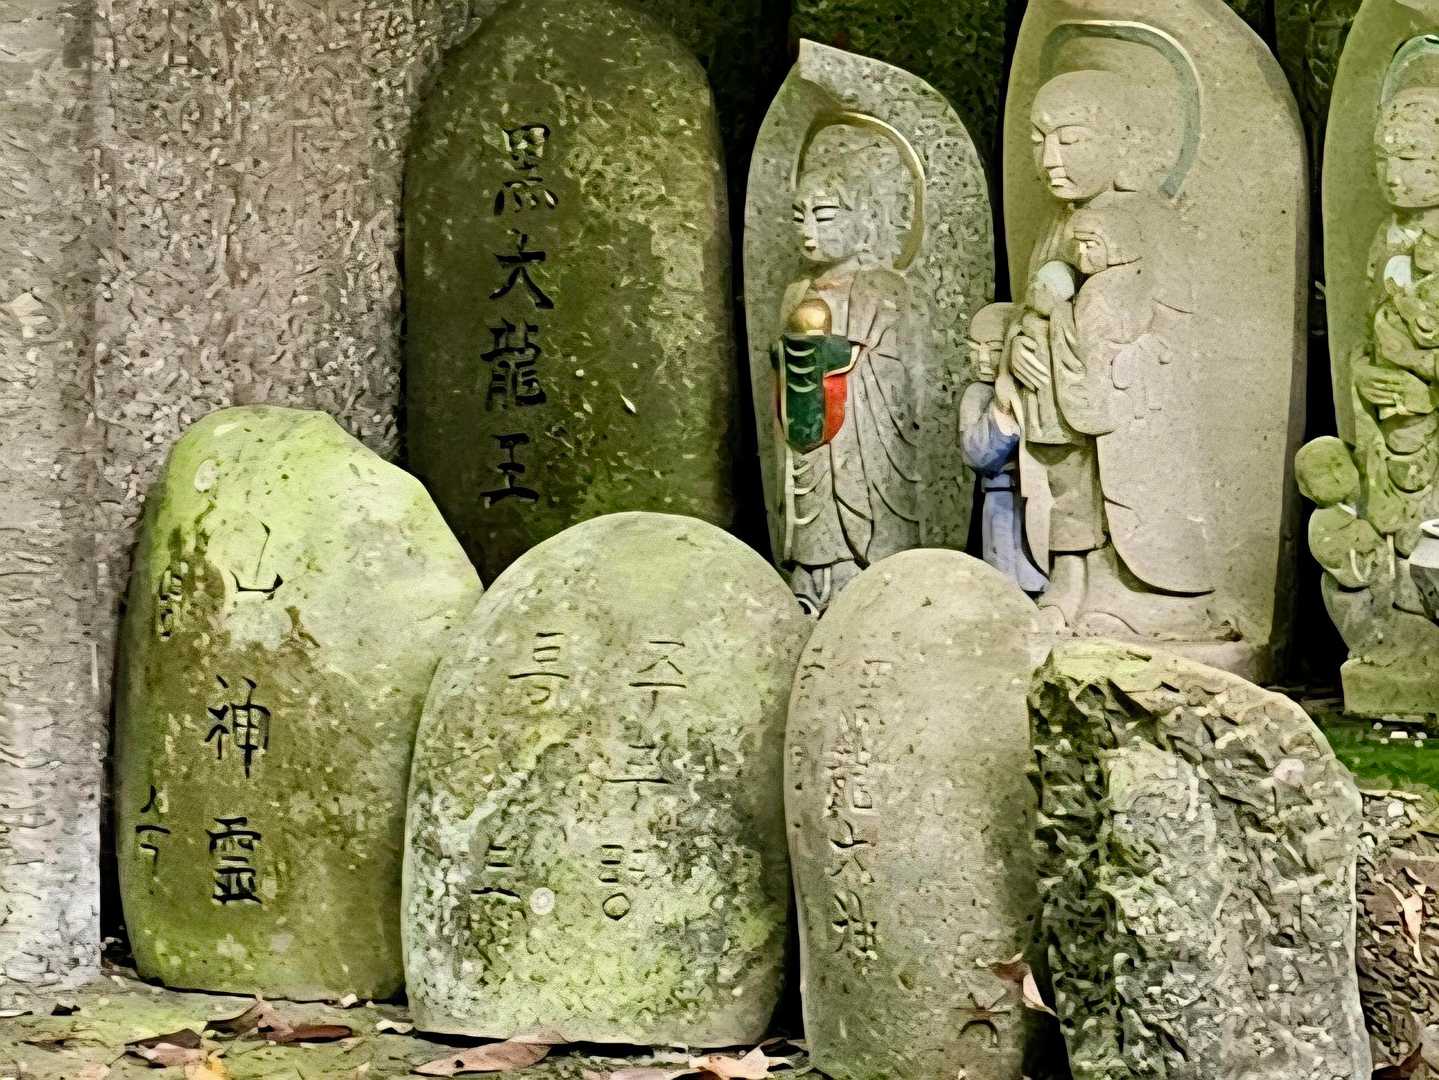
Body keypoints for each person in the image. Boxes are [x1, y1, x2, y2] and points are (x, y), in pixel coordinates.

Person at [775, 121, 922, 614]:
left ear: (865, 218)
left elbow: (898, 376)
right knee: (805, 491)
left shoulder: (882, 287)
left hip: (860, 430)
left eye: (824, 216)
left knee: (854, 483)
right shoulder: (796, 292)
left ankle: (855, 572)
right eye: (799, 218)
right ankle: (811, 575)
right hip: (807, 424)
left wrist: (844, 363)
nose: (808, 231)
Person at [959, 304, 1046, 593]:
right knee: (1007, 579)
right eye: (975, 349)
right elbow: (979, 455)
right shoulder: (977, 394)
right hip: (1001, 499)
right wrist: (1002, 405)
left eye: (994, 349)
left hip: (1043, 501)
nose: (982, 358)